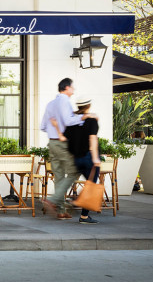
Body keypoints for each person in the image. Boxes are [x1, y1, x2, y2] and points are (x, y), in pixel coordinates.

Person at [39, 77, 96, 220]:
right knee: (73, 172)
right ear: (66, 88)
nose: (74, 89)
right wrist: (84, 116)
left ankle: (60, 210)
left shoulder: (50, 104)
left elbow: (43, 126)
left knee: (59, 176)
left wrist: (55, 130)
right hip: (63, 143)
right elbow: (68, 121)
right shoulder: (64, 101)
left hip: (52, 143)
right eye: (72, 87)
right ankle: (53, 200)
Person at [62, 96, 101, 225]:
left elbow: (65, 138)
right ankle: (83, 214)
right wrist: (95, 157)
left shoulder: (73, 122)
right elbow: (93, 139)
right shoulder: (91, 120)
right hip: (89, 157)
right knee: (91, 185)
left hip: (76, 158)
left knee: (77, 182)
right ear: (88, 105)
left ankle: (73, 200)